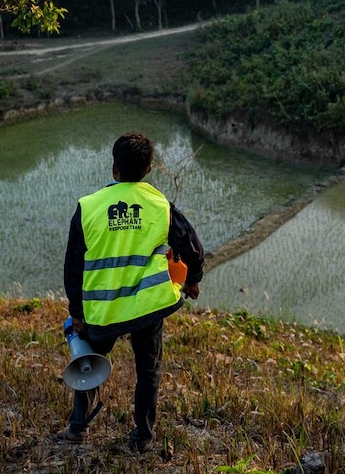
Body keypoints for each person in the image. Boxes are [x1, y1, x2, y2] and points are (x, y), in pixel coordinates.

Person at [57, 131, 204, 450]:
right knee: (148, 369)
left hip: (103, 310)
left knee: (88, 361)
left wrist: (77, 312)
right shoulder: (159, 204)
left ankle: (77, 428)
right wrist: (193, 278)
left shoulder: (88, 208)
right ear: (149, 169)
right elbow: (189, 243)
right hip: (147, 306)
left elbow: (73, 267)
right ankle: (143, 437)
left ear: (114, 169)